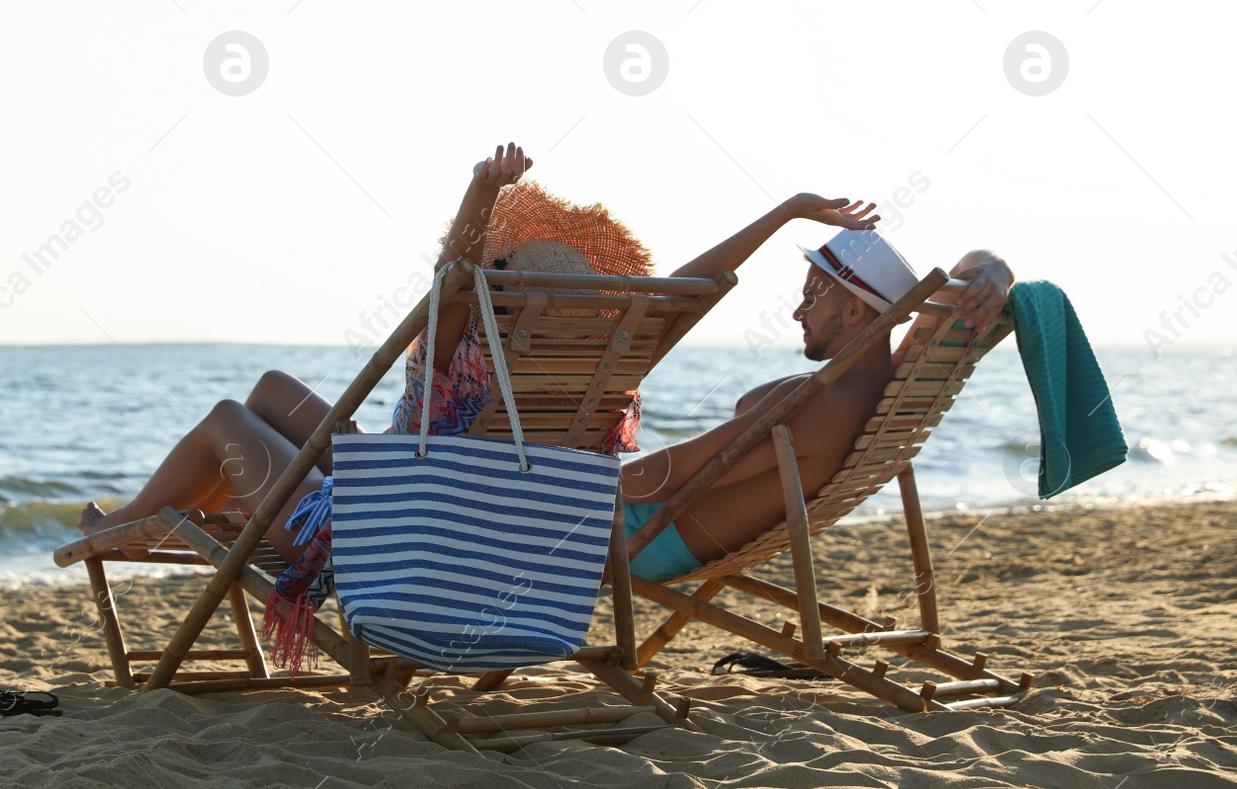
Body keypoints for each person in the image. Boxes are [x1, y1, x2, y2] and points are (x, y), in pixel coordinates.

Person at [76, 142, 881, 566]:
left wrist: (480, 191)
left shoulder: (465, 346)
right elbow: (694, 284)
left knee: (230, 416)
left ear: (498, 288)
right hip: (440, 495)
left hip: (383, 530)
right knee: (272, 390)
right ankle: (183, 516)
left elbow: (447, 276)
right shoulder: (613, 365)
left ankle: (134, 525)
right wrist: (779, 214)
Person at [618, 231, 1014, 582]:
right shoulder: (884, 384)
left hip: (638, 537)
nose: (797, 313)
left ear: (854, 310)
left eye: (809, 298)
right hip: (664, 536)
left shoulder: (820, 402)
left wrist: (571, 486)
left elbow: (668, 476)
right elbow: (969, 266)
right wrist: (996, 269)